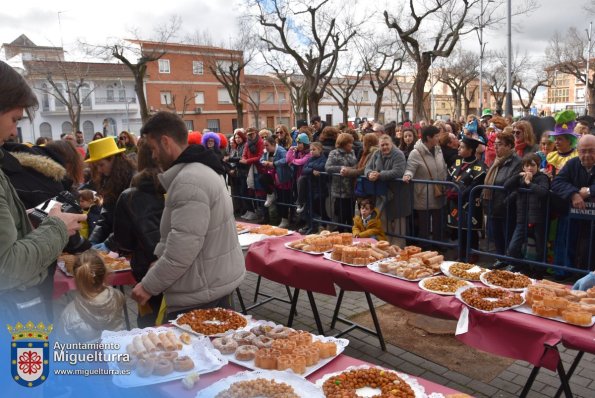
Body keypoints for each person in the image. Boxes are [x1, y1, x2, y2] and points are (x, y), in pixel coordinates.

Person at [132, 111, 245, 318]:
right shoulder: (200, 170)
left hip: (200, 296)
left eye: (153, 149)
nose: (153, 156)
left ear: (166, 142)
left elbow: (182, 250)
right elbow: (191, 237)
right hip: (209, 286)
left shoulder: (189, 181)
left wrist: (148, 286)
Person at [0, 60, 86, 323]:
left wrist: (32, 219)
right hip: (13, 314)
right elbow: (7, 268)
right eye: (14, 119)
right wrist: (57, 226)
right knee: (32, 366)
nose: (15, 131)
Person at [113, 140, 165, 327]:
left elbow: (123, 242)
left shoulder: (129, 196)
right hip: (183, 269)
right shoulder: (181, 186)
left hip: (148, 270)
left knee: (151, 328)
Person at [57, 250, 125, 342]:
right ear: (105, 274)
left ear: (76, 278)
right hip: (116, 350)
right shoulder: (118, 296)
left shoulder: (68, 314)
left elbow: (64, 342)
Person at [551, 134, 595, 271]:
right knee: (569, 244)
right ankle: (567, 272)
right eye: (583, 151)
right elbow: (557, 182)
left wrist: (589, 191)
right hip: (574, 215)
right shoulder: (572, 163)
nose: (586, 154)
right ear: (578, 150)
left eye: (591, 150)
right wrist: (574, 194)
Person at [86, 137, 135, 251]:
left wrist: (109, 244)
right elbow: (106, 216)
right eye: (96, 166)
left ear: (113, 159)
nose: (99, 170)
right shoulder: (108, 180)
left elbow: (130, 220)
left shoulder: (133, 180)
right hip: (119, 243)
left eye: (101, 165)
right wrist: (92, 241)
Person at [504, 153, 550, 271]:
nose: (530, 168)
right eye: (527, 165)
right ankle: (523, 266)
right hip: (522, 218)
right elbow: (506, 186)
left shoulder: (542, 178)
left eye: (533, 165)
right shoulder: (520, 178)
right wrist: (519, 175)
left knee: (540, 248)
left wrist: (529, 183)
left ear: (538, 166)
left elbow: (543, 192)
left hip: (538, 219)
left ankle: (539, 271)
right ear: (523, 167)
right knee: (513, 247)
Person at [403, 125, 448, 245]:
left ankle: (439, 245)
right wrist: (408, 175)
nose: (439, 138)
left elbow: (443, 167)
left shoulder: (438, 149)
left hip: (439, 191)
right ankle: (424, 246)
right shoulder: (415, 153)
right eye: (436, 136)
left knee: (438, 221)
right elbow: (410, 169)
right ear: (428, 137)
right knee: (424, 223)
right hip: (423, 194)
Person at [482, 130, 522, 257]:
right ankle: (501, 259)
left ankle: (511, 262)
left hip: (507, 206)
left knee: (508, 237)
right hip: (493, 205)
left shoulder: (517, 162)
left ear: (509, 146)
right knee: (497, 236)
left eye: (500, 144)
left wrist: (505, 202)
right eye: (495, 144)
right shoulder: (497, 161)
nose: (496, 147)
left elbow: (515, 185)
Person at [446, 137, 487, 260]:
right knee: (459, 228)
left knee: (471, 229)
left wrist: (460, 194)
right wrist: (449, 190)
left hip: (470, 203)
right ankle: (461, 252)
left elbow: (475, 185)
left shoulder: (479, 166)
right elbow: (449, 178)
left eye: (462, 147)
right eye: (459, 146)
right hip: (455, 202)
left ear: (470, 150)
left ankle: (473, 253)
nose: (459, 149)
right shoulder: (457, 162)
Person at [365, 135, 409, 246]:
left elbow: (398, 171)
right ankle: (384, 245)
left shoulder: (398, 154)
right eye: (382, 145)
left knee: (398, 223)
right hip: (382, 193)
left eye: (387, 144)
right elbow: (367, 167)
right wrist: (369, 174)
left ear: (391, 144)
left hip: (397, 192)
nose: (384, 147)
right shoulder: (376, 154)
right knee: (383, 220)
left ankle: (397, 247)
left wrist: (379, 175)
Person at [326, 132, 358, 231]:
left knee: (351, 216)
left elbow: (356, 165)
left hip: (351, 189)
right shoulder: (334, 153)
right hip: (340, 190)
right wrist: (341, 168)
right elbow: (328, 168)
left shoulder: (352, 152)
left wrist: (353, 169)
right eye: (349, 143)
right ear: (344, 143)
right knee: (341, 216)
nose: (351, 145)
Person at [259, 136, 292, 228]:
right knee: (261, 178)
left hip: (283, 179)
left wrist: (273, 163)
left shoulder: (281, 151)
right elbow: (261, 159)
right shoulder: (266, 151)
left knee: (283, 199)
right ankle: (270, 194)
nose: (265, 148)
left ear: (273, 144)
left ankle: (285, 220)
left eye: (267, 145)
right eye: (264, 145)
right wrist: (264, 162)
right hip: (272, 176)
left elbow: (286, 160)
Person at [297, 142, 329, 234]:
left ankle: (324, 224)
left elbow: (321, 167)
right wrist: (311, 170)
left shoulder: (323, 159)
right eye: (310, 150)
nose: (311, 151)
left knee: (320, 208)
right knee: (310, 208)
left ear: (320, 150)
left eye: (314, 149)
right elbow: (304, 169)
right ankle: (311, 225)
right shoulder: (310, 159)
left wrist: (310, 168)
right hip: (310, 188)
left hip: (320, 188)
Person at [240, 127, 264, 221]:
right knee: (251, 190)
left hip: (259, 169)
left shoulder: (260, 142)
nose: (250, 136)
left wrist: (247, 161)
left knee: (260, 192)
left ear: (256, 133)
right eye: (249, 134)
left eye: (252, 134)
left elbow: (260, 156)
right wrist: (245, 160)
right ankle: (255, 212)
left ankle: (262, 214)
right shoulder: (247, 143)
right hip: (250, 169)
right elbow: (244, 154)